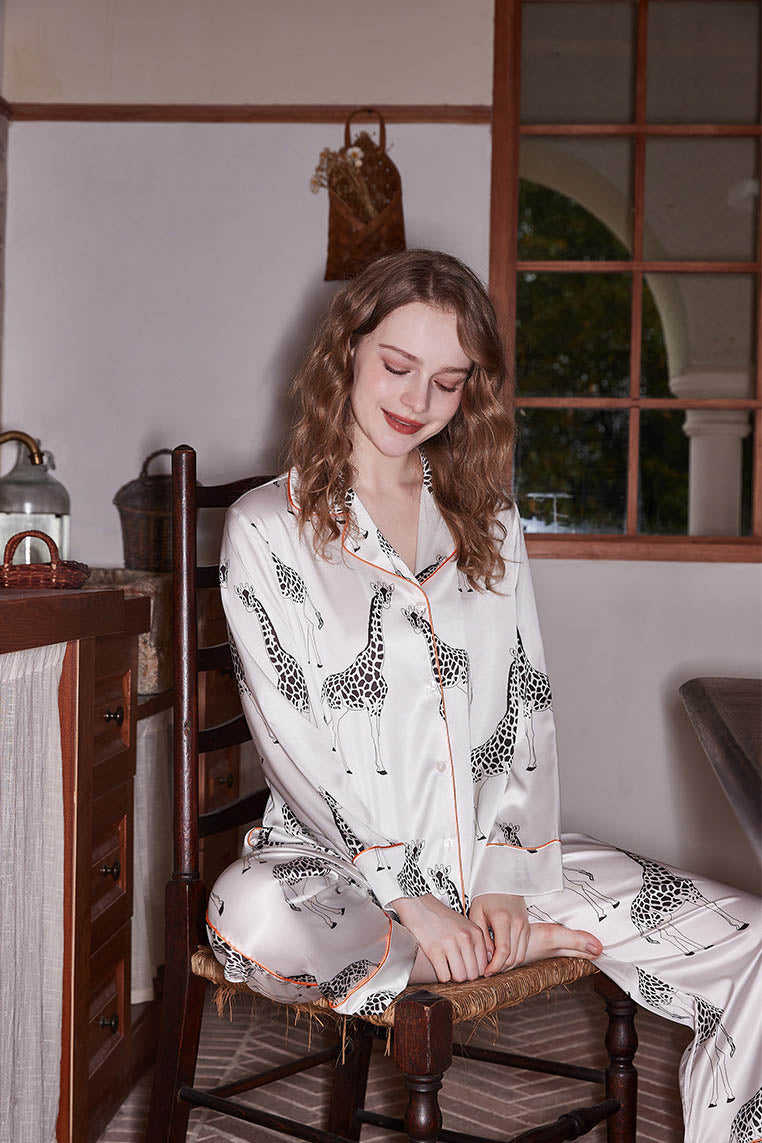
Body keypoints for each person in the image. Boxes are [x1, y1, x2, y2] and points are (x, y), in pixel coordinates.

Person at [207, 249, 761, 1143]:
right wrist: (408, 896)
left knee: (755, 941)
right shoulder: (268, 527)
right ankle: (457, 950)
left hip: (505, 864)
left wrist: (505, 879)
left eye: (448, 381)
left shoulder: (486, 520)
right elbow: (291, 743)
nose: (416, 400)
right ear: (346, 350)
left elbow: (524, 706)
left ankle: (490, 941)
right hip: (337, 872)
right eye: (397, 366)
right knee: (249, 913)